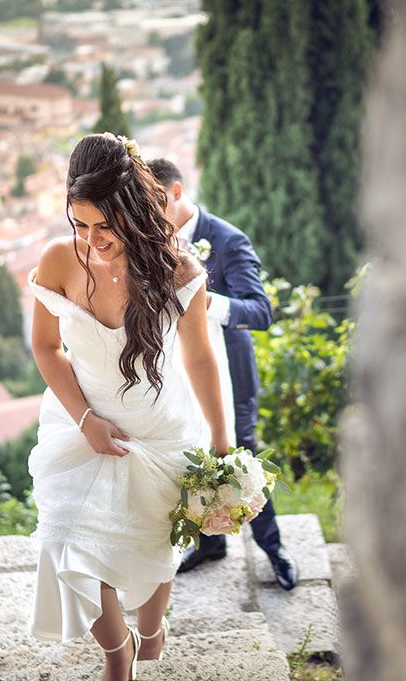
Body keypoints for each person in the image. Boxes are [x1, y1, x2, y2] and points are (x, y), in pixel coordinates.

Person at [26, 133, 228, 681]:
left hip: (163, 432)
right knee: (66, 541)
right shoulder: (58, 261)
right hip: (84, 429)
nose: (92, 240)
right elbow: (46, 348)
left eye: (105, 225)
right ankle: (119, 655)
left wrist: (220, 439)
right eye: (81, 224)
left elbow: (202, 360)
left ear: (134, 211)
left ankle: (151, 630)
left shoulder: (179, 272)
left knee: (153, 550)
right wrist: (86, 420)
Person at [147, 158, 299, 591]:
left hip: (231, 371)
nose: (148, 214)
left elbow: (262, 311)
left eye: (155, 202)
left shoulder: (227, 240)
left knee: (239, 453)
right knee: (192, 451)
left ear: (176, 193)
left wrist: (201, 299)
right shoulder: (150, 241)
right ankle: (210, 543)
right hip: (178, 367)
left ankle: (274, 550)